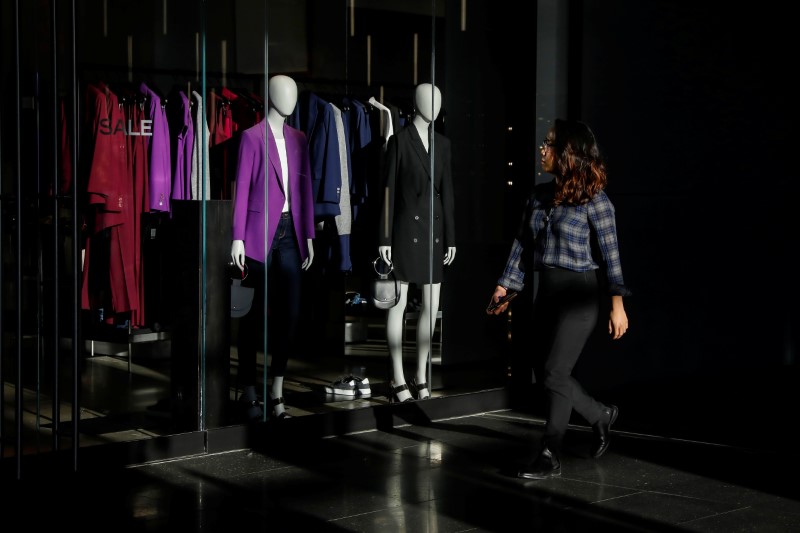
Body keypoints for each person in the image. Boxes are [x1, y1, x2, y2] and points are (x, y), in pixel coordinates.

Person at [487, 119, 630, 479]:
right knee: (547, 374)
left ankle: (550, 453)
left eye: (549, 144)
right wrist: (507, 285)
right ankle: (601, 415)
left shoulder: (595, 200)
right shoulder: (537, 196)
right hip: (547, 294)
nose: (542, 149)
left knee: (554, 372)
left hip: (580, 296)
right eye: (544, 143)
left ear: (568, 153)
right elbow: (522, 245)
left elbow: (612, 256)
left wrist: (618, 304)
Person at [231, 75, 315, 420]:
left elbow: (305, 189)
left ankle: (277, 388)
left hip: (291, 233)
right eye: (284, 91)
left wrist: (308, 233)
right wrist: (237, 236)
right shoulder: (252, 138)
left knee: (290, 314)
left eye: (294, 92)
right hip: (257, 233)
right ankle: (249, 388)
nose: (290, 98)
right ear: (270, 96)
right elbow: (241, 187)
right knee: (253, 316)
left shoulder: (299, 138)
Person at [378, 83, 456, 403]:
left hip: (434, 235)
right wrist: (383, 238)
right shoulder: (400, 140)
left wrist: (451, 237)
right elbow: (387, 193)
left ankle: (421, 376)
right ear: (416, 103)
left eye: (439, 99)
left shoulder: (443, 144)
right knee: (397, 306)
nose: (434, 105)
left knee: (432, 307)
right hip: (405, 233)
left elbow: (447, 192)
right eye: (429, 99)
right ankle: (398, 379)